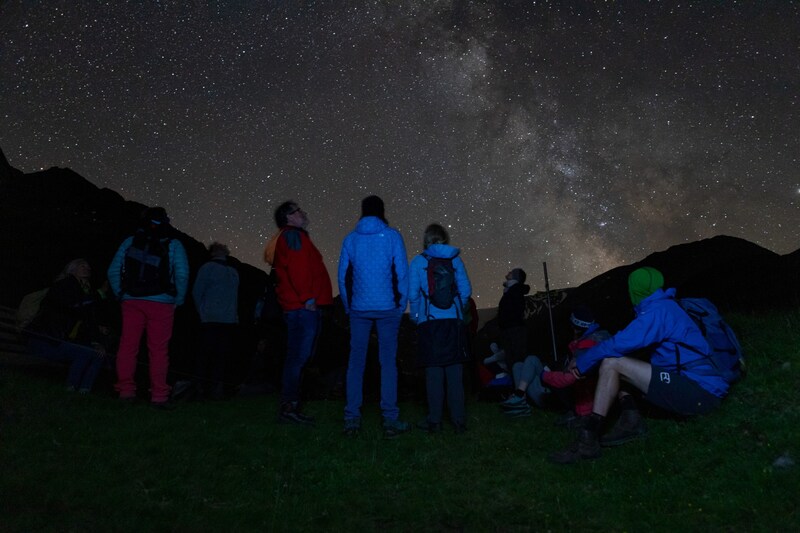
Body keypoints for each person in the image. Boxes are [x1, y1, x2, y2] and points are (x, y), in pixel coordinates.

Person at [549, 267, 730, 464]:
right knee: (620, 361)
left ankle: (588, 441)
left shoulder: (657, 313)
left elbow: (615, 345)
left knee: (612, 363)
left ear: (635, 290)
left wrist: (582, 363)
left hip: (700, 394)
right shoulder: (664, 306)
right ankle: (631, 421)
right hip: (696, 387)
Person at [338, 195, 410, 438]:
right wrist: (400, 306)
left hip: (358, 308)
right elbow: (402, 274)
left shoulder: (350, 239)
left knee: (355, 363)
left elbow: (343, 277)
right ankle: (390, 420)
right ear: (382, 211)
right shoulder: (392, 236)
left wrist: (349, 307)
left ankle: (352, 419)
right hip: (388, 307)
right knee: (387, 363)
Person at [107, 207, 190, 408]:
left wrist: (121, 293)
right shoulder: (173, 244)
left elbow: (112, 270)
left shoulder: (130, 241)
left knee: (128, 346)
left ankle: (126, 392)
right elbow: (182, 274)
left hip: (131, 301)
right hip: (161, 303)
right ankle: (159, 396)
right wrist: (178, 299)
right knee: (159, 350)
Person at [264, 201, 333, 425]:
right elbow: (298, 267)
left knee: (298, 357)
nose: (303, 212)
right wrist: (308, 298)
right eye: (297, 211)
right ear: (289, 218)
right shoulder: (293, 236)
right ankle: (289, 408)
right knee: (298, 357)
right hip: (302, 307)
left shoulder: (293, 236)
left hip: (300, 306)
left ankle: (290, 405)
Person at [408, 223, 472, 433]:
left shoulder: (418, 261)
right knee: (455, 371)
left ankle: (434, 420)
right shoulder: (455, 259)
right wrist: (457, 309)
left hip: (430, 322)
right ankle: (459, 420)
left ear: (426, 239)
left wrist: (418, 317)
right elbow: (465, 290)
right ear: (445, 238)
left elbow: (413, 294)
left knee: (433, 372)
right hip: (452, 321)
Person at [499, 306, 610, 421]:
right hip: (560, 391)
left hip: (561, 399)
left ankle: (519, 398)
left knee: (532, 360)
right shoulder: (591, 343)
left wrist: (544, 375)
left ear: (576, 328)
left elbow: (568, 378)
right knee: (518, 366)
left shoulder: (586, 348)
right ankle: (520, 400)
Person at [27, 259, 110, 393]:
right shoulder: (65, 285)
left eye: (88, 267)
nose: (87, 268)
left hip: (58, 342)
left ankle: (83, 392)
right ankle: (70, 389)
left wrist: (96, 342)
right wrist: (99, 293)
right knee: (84, 352)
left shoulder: (83, 292)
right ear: (71, 269)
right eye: (82, 266)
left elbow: (88, 320)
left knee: (98, 354)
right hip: (43, 339)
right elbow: (74, 305)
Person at [192, 242, 239, 400]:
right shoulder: (231, 272)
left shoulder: (211, 269)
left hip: (213, 320)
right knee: (217, 356)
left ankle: (205, 390)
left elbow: (197, 293)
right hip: (224, 320)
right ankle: (210, 390)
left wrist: (202, 313)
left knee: (208, 356)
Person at [497, 268, 530, 369]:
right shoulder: (511, 290)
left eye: (511, 272)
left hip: (514, 329)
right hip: (510, 328)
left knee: (516, 358)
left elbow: (513, 309)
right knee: (512, 358)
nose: (508, 273)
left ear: (515, 277)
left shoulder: (515, 290)